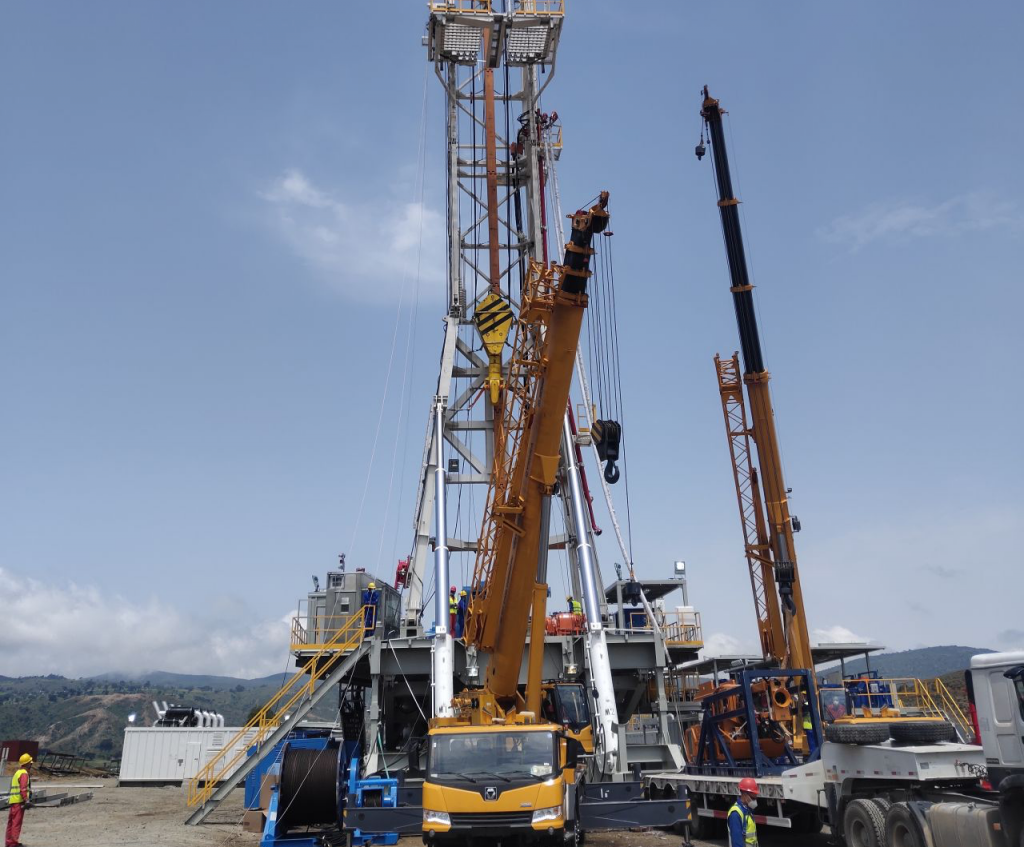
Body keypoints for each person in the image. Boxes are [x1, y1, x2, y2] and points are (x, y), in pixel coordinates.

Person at [6, 753, 32, 847]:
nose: (31, 764)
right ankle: (13, 844)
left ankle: (9, 842)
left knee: (11, 823)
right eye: (30, 762)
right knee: (16, 823)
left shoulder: (17, 772)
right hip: (18, 802)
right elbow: (23, 788)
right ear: (27, 763)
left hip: (13, 801)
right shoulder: (24, 774)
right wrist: (27, 800)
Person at [728, 777, 759, 847]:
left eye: (756, 798)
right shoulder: (735, 814)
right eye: (753, 798)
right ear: (745, 795)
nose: (755, 801)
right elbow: (737, 842)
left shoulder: (748, 810)